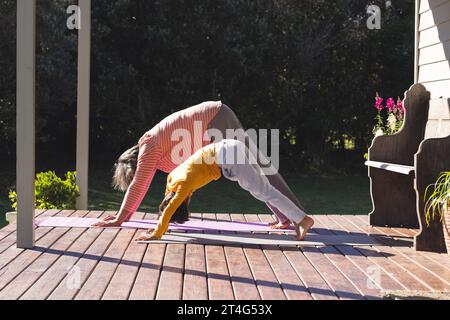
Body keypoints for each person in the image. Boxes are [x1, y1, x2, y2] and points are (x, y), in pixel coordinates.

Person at [93, 101, 304, 229]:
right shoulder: (158, 151)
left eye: (131, 175)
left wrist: (120, 219)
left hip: (216, 117)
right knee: (255, 171)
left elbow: (139, 185)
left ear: (133, 164)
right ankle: (287, 217)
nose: (138, 176)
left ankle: (297, 217)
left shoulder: (148, 147)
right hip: (216, 117)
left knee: (258, 168)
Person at [135, 140, 314, 241]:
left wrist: (157, 233)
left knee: (263, 190)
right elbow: (168, 202)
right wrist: (164, 216)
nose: (188, 200)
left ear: (182, 201)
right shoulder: (171, 180)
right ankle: (284, 219)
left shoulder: (182, 186)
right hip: (229, 146)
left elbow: (171, 205)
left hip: (227, 156)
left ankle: (303, 220)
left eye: (186, 203)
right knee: (261, 188)